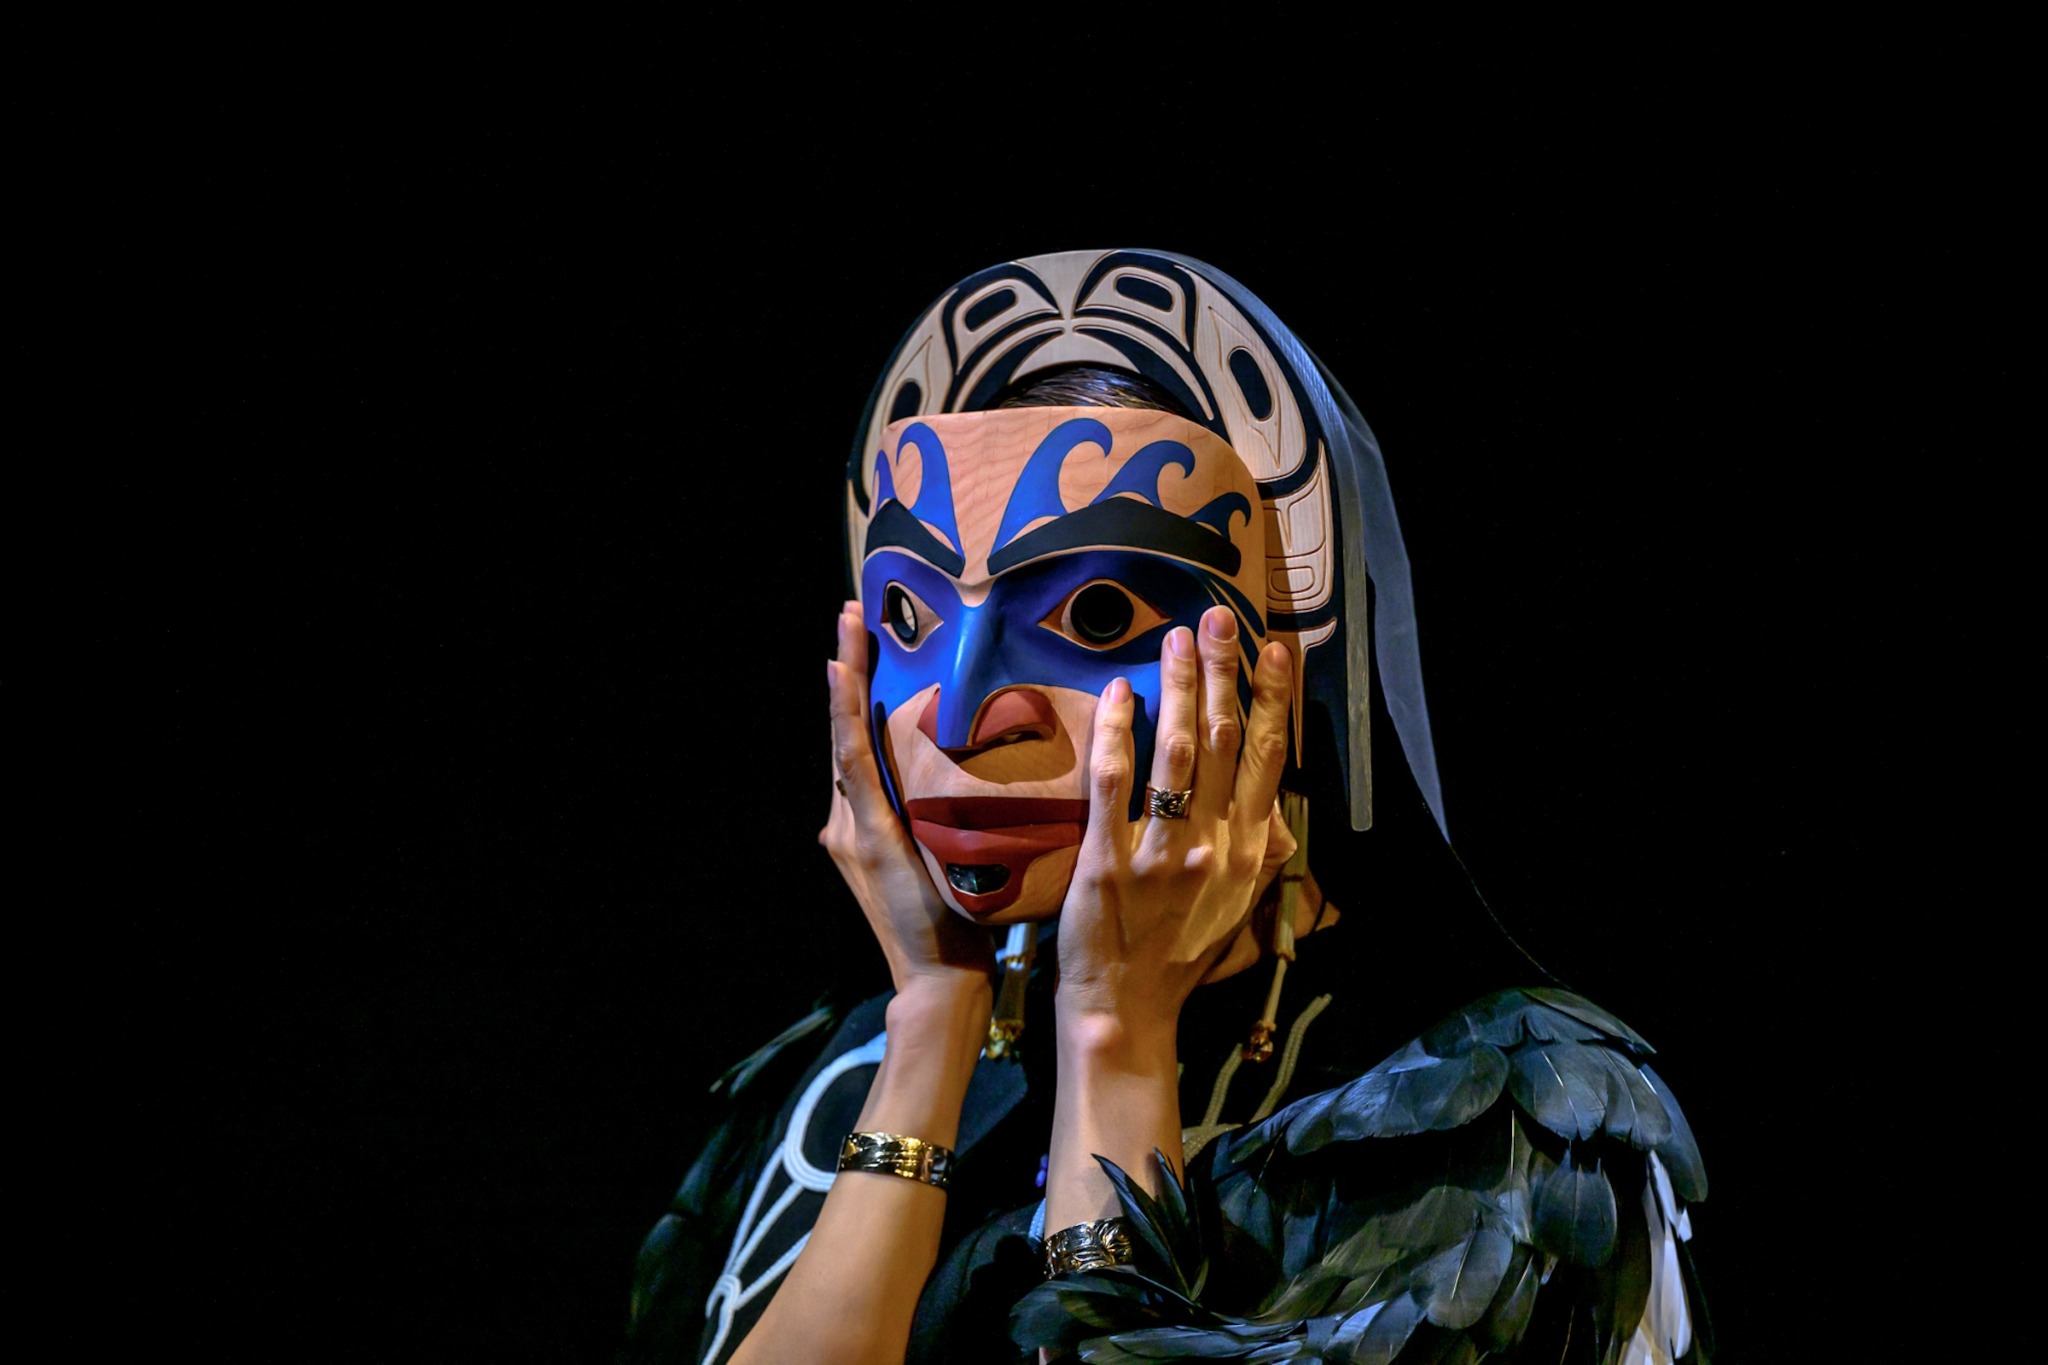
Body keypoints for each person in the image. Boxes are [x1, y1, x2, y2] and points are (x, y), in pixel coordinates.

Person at [623, 250, 1710, 1364]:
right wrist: (933, 1020)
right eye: (908, 616)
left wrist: (1116, 1035)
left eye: (1096, 615)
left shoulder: (1504, 1127)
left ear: (1281, 671)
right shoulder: (834, 1079)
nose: (959, 715)